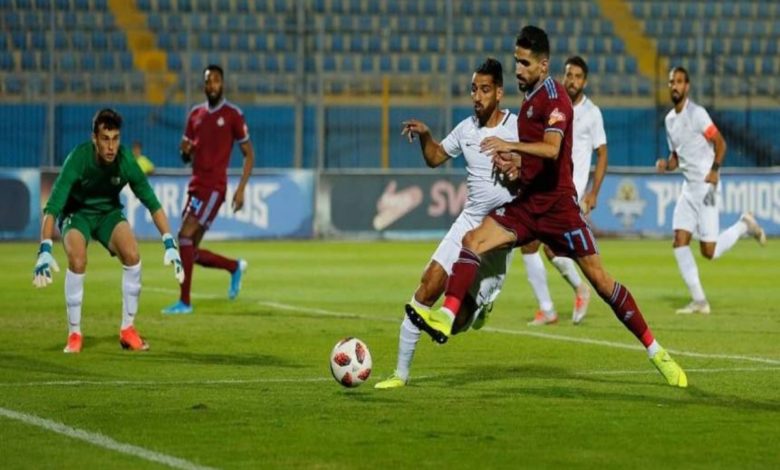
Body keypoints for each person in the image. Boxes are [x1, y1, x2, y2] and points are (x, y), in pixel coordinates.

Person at [405, 26, 688, 388]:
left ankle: (656, 350)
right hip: (527, 206)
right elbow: (535, 161)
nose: (518, 69)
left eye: (525, 63)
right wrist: (515, 165)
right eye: (516, 61)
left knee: (602, 283)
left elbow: (552, 150)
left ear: (543, 65)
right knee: (472, 240)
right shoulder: (529, 100)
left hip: (559, 210)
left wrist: (511, 147)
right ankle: (446, 315)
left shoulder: (556, 99)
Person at [375, 58, 518, 389]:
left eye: (484, 90)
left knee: (457, 322)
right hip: (468, 223)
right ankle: (400, 375)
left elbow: (540, 168)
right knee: (427, 286)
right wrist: (427, 136)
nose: (477, 96)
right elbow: (436, 157)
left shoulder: (517, 129)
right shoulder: (466, 129)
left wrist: (518, 165)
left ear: (499, 92)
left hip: (499, 234)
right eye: (473, 89)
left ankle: (480, 308)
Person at [33, 108, 184, 353]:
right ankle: (74, 334)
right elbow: (52, 207)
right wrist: (45, 248)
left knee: (133, 255)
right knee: (78, 260)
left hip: (108, 214)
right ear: (94, 138)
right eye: (105, 139)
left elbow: (152, 203)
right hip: (77, 215)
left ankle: (128, 330)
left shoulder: (126, 161)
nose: (111, 146)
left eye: (115, 139)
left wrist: (169, 242)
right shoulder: (78, 159)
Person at [657, 66, 766, 315]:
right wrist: (666, 165)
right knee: (679, 241)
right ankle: (700, 301)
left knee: (710, 251)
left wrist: (715, 170)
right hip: (688, 188)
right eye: (672, 82)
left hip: (706, 186)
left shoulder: (697, 114)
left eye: (680, 82)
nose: (675, 86)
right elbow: (676, 157)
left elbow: (720, 143)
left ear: (687, 86)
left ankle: (744, 225)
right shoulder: (669, 121)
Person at [521, 55, 607, 326]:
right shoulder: (554, 103)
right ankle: (561, 300)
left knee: (540, 245)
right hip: (550, 186)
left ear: (585, 81)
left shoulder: (592, 113)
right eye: (569, 75)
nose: (572, 81)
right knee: (537, 246)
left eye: (578, 77)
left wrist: (593, 192)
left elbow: (602, 154)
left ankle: (570, 296)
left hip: (572, 190)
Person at [162, 64, 255, 315]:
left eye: (215, 80)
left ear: (222, 84)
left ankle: (184, 302)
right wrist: (185, 152)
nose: (212, 85)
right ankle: (234, 267)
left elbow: (249, 154)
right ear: (203, 85)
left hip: (214, 187)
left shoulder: (233, 114)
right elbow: (186, 154)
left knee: (184, 235)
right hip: (196, 186)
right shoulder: (195, 114)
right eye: (208, 81)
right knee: (189, 251)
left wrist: (241, 189)